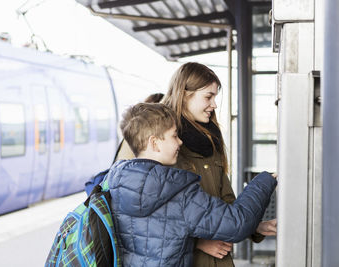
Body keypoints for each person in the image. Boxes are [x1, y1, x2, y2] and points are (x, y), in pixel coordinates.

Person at [116, 62, 277, 266]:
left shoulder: (210, 137)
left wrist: (255, 227)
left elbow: (226, 205)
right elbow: (129, 216)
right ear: (184, 94)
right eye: (208, 97)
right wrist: (196, 242)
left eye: (215, 97)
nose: (215, 105)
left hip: (218, 257)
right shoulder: (149, 136)